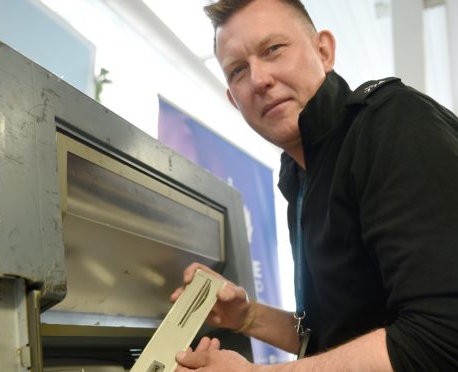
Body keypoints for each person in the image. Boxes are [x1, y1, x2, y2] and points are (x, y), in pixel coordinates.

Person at [170, 0, 458, 370]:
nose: (259, 80)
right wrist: (248, 317)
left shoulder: (394, 123)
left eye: (273, 49)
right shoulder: (299, 178)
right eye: (238, 71)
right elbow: (333, 334)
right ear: (233, 100)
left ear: (324, 50)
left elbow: (442, 337)